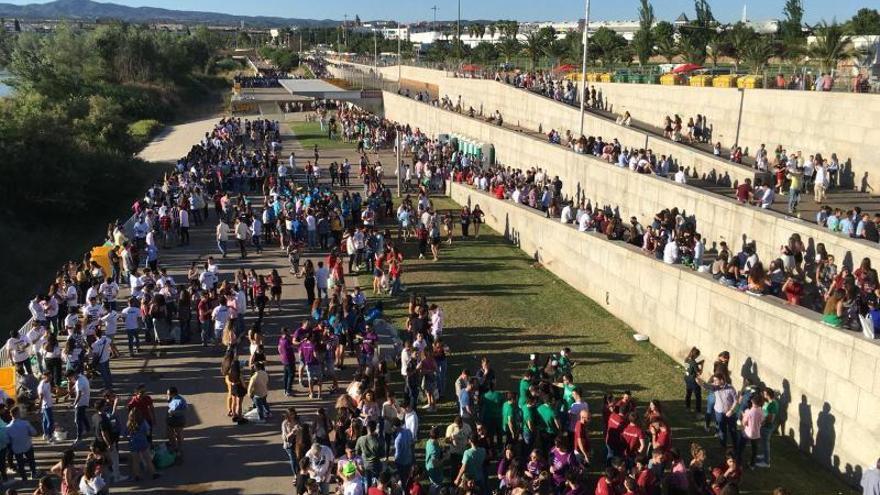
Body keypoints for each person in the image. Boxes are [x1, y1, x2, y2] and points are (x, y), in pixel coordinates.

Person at [6, 407, 38, 481]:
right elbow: (34, 433)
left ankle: (24, 478)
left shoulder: (8, 427)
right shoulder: (25, 423)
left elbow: (8, 441)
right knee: (31, 460)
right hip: (27, 445)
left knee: (20, 464)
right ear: (17, 414)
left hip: (17, 449)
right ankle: (33, 473)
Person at [67, 368, 90, 446]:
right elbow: (75, 386)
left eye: (69, 378)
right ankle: (87, 428)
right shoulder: (81, 377)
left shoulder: (79, 382)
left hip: (81, 403)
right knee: (82, 415)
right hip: (85, 400)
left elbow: (78, 394)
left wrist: (74, 404)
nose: (70, 380)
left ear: (72, 375)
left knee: (77, 420)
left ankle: (79, 438)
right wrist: (70, 391)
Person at [166, 386, 187, 455]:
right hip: (171, 418)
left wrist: (175, 412)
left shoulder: (181, 400)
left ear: (173, 393)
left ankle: (179, 449)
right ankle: (174, 446)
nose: (167, 395)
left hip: (178, 419)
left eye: (168, 394)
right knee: (170, 433)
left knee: (179, 434)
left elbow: (185, 410)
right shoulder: (171, 398)